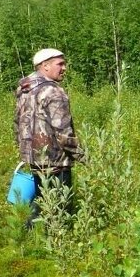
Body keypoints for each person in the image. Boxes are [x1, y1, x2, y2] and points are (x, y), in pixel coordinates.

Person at [14, 48, 83, 225]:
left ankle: (32, 236)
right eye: (60, 64)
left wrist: (23, 150)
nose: (64, 68)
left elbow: (17, 123)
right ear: (45, 66)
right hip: (55, 159)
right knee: (61, 206)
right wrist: (82, 156)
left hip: (34, 156)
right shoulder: (54, 92)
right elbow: (63, 133)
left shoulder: (24, 89)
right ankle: (58, 241)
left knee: (42, 199)